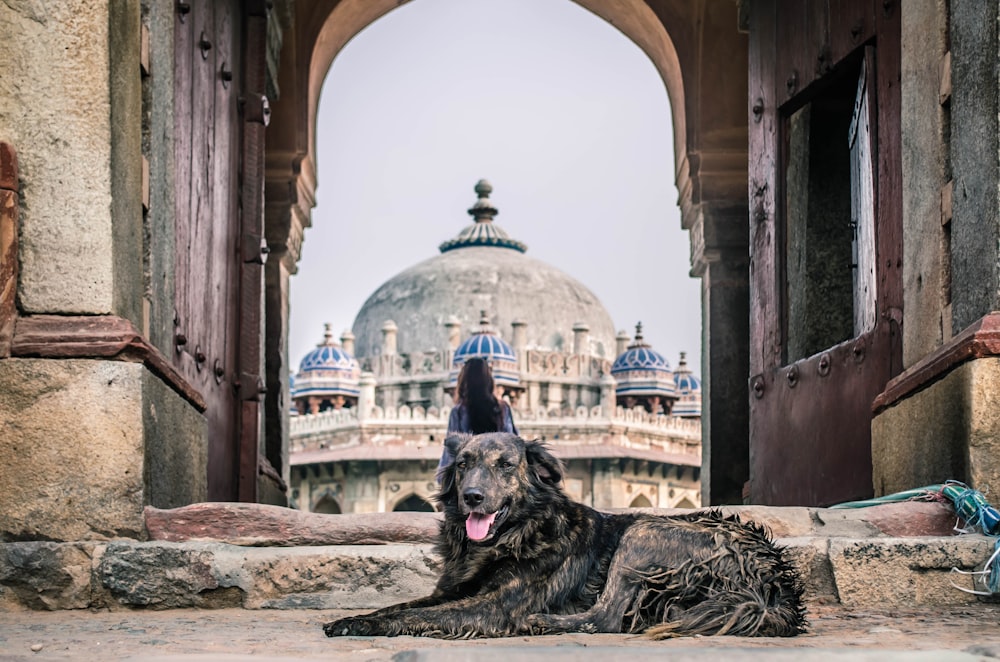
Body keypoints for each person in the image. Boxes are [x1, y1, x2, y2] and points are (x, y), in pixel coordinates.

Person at [437, 357, 517, 479]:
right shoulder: (502, 409)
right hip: (498, 477)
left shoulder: (458, 412)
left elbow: (451, 453)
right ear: (489, 381)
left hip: (470, 478)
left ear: (463, 381)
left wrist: (442, 479)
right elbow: (512, 443)